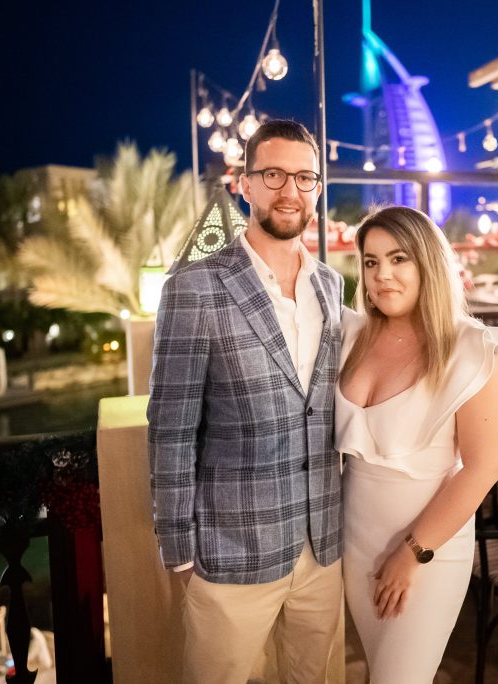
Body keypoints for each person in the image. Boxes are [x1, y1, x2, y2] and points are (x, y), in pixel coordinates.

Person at [147, 119, 344, 684]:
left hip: (321, 547)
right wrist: (179, 553)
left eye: (305, 178)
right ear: (245, 184)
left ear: (317, 189)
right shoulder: (194, 287)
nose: (290, 191)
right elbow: (171, 429)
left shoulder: (331, 286)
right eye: (274, 175)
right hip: (229, 552)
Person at [336, 206, 498, 682]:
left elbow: (484, 467)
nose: (382, 275)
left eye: (399, 259)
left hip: (427, 552)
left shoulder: (469, 348)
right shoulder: (352, 335)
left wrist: (412, 553)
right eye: (371, 261)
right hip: (355, 542)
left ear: (428, 263)